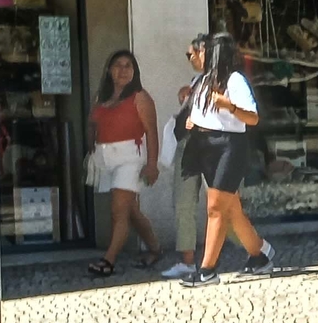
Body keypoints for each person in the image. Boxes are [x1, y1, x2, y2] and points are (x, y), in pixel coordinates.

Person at [182, 32, 272, 285]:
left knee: (215, 208)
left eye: (200, 51)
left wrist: (229, 106)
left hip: (228, 147)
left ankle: (207, 270)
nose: (195, 56)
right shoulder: (202, 80)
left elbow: (253, 118)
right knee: (232, 211)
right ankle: (259, 255)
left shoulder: (234, 80)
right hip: (206, 147)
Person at [86, 49, 161, 277]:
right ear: (109, 69)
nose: (122, 70)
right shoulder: (102, 96)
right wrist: (90, 148)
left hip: (130, 157)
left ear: (134, 71)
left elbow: (151, 132)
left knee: (118, 210)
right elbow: (92, 123)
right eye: (118, 65)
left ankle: (109, 260)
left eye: (128, 65)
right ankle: (155, 249)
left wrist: (152, 164)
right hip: (105, 157)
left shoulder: (140, 97)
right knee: (130, 210)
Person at [157, 36, 211, 281]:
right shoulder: (197, 80)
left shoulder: (225, 79)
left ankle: (256, 251)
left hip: (212, 146)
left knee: (225, 206)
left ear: (204, 52)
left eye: (191, 54)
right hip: (189, 145)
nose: (189, 59)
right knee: (183, 203)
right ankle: (188, 260)